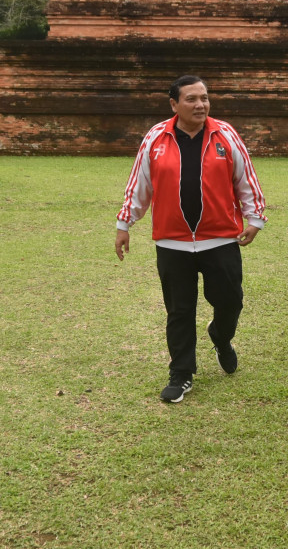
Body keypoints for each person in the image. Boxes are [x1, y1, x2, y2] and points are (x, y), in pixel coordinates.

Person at [115, 75, 268, 403]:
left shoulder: (224, 134)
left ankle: (220, 337)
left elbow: (246, 179)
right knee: (179, 311)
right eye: (192, 99)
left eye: (205, 98)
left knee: (230, 301)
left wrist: (254, 218)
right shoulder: (156, 138)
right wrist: (124, 223)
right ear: (174, 104)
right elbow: (139, 184)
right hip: (173, 243)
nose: (200, 104)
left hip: (221, 239)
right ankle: (181, 373)